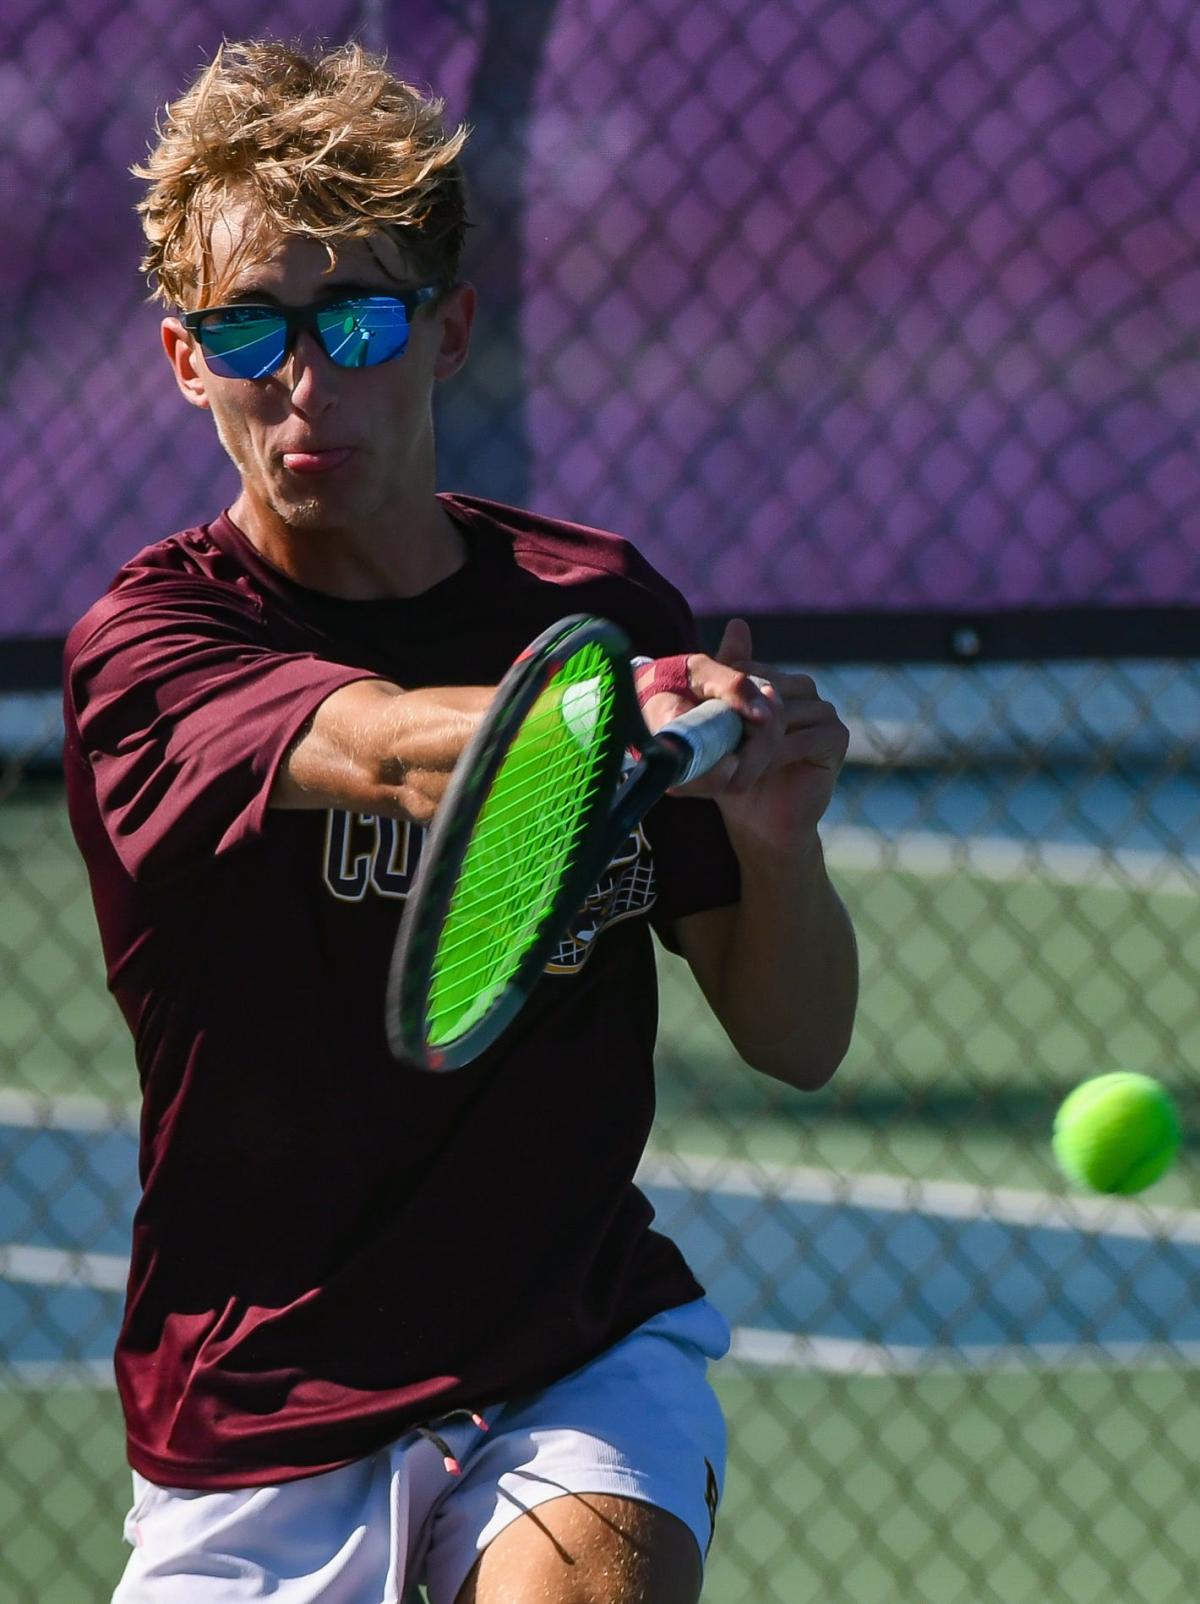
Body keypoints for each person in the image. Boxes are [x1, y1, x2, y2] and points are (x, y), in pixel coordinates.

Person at [63, 39, 858, 1604]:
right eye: (250, 333)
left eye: (358, 323)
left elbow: (801, 1038)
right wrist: (588, 716)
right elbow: (374, 748)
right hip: (260, 1399)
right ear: (182, 358)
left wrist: (775, 847)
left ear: (448, 336)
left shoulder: (599, 604)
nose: (306, 386)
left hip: (568, 1345)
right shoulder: (151, 647)